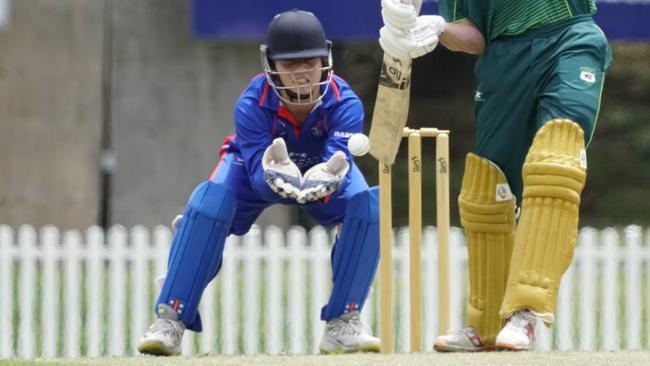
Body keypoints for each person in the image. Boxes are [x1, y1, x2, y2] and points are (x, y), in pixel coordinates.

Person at [137, 9, 382, 356]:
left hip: (323, 168)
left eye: (309, 62)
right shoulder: (252, 103)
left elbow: (339, 159)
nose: (301, 75)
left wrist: (328, 178)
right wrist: (275, 176)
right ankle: (170, 320)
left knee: (369, 209)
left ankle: (344, 322)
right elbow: (256, 177)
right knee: (208, 205)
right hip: (258, 167)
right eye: (290, 64)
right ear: (271, 64)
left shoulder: (346, 104)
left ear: (325, 59)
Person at [379, 0, 612, 352]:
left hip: (568, 37)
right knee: (488, 188)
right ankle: (486, 325)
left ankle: (526, 309)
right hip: (503, 59)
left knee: (555, 159)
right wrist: (438, 29)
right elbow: (475, 36)